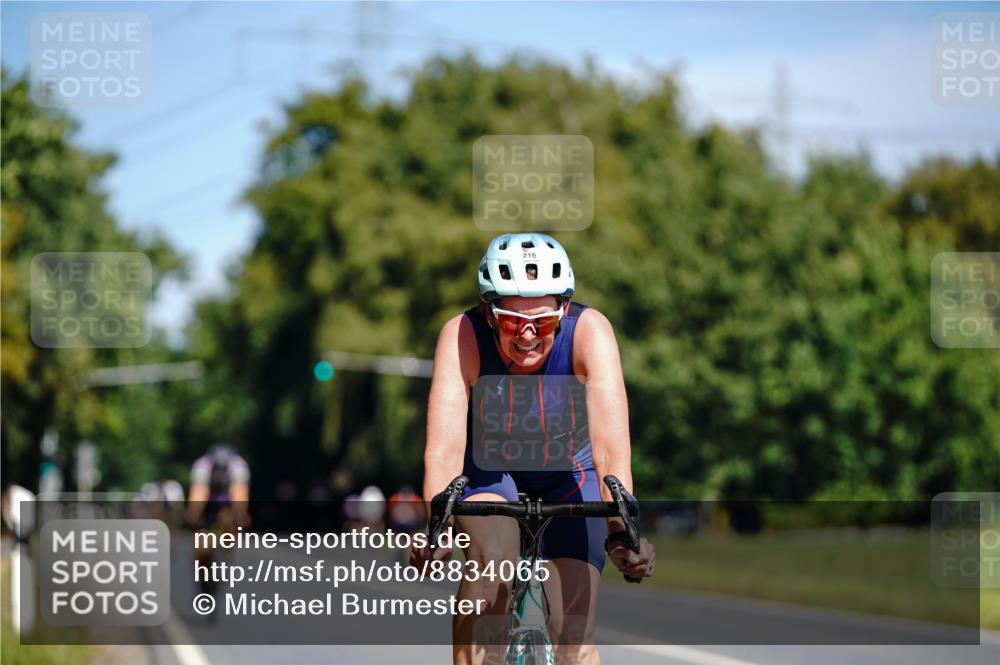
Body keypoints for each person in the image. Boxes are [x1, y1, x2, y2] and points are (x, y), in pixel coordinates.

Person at [412, 233, 655, 665]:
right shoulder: (461, 335)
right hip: (490, 475)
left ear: (563, 311)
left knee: (573, 641)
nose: (527, 335)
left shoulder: (590, 332)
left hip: (568, 475)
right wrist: (438, 529)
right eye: (511, 321)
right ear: (488, 314)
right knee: (492, 562)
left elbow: (610, 456)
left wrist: (622, 533)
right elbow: (445, 451)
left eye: (542, 322)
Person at [186, 443, 251, 601]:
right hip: (207, 507)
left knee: (231, 522)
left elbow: (239, 494)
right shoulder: (202, 466)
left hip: (227, 506)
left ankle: (228, 557)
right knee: (202, 547)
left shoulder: (238, 466)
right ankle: (202, 576)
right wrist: (193, 515)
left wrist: (241, 515)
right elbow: (198, 494)